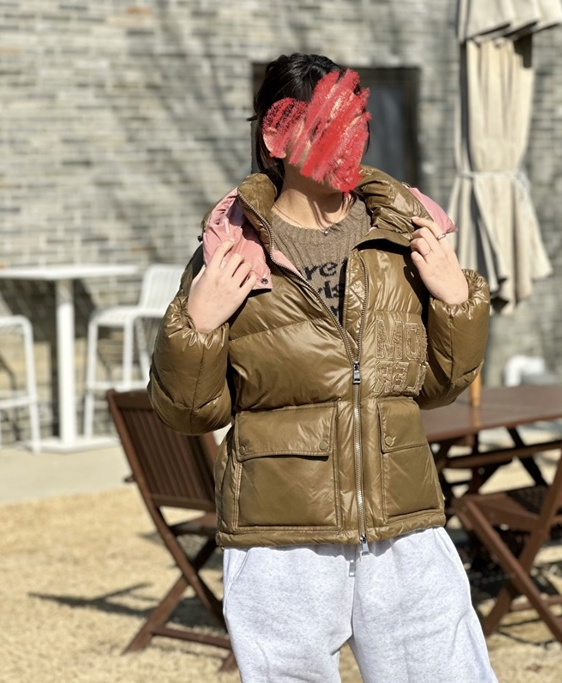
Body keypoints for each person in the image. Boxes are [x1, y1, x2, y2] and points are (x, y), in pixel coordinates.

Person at [149, 53, 497, 682]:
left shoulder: (405, 238)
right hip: (280, 533)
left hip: (404, 519)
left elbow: (438, 386)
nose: (349, 141)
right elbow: (189, 412)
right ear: (276, 137)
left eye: (357, 123)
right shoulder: (230, 253)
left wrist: (456, 302)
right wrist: (197, 324)